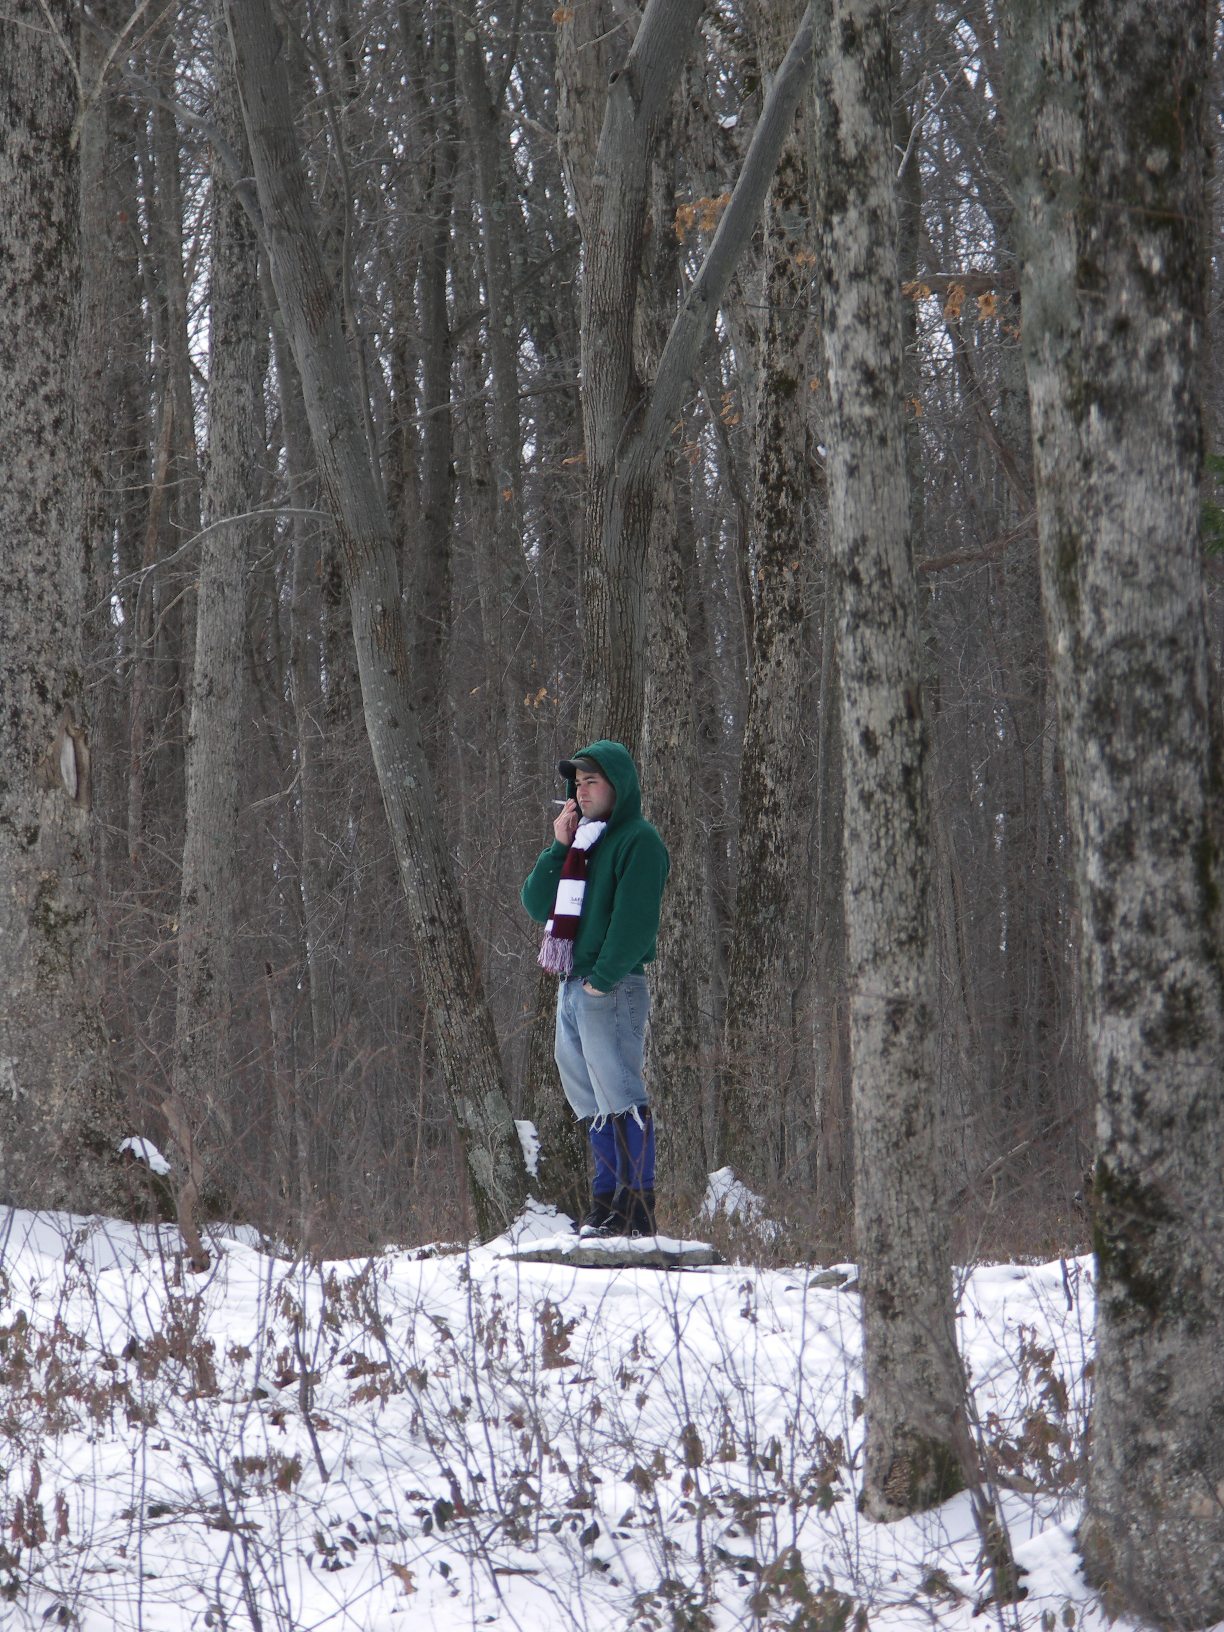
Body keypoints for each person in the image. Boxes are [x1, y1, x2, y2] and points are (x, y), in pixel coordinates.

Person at [521, 740, 670, 1237]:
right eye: (577, 783)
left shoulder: (637, 840)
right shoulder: (583, 843)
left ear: (617, 786)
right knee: (589, 1097)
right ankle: (606, 1203)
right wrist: (558, 846)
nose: (582, 791)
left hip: (611, 985)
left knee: (620, 1091)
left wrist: (601, 984)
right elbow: (537, 903)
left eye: (592, 782)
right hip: (573, 983)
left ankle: (637, 1208)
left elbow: (635, 924)